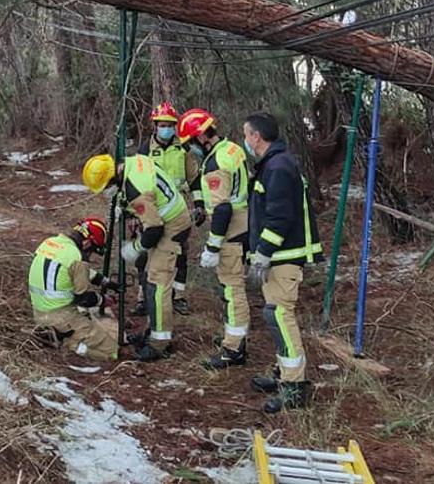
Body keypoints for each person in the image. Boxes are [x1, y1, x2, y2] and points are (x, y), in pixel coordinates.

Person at [242, 112, 322, 413]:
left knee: (280, 316)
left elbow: (279, 216)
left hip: (283, 258)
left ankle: (293, 387)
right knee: (276, 317)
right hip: (278, 258)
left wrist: (262, 253)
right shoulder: (273, 164)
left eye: (246, 134)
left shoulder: (277, 167)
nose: (245, 140)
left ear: (256, 137)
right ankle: (283, 373)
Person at [82, 153, 193, 361]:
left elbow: (154, 230)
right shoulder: (134, 162)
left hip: (172, 225)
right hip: (168, 217)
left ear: (112, 178)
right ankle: (152, 332)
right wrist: (127, 208)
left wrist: (134, 247)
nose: (107, 192)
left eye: (107, 187)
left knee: (157, 284)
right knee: (150, 277)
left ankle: (160, 344)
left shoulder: (136, 190)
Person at [176, 108, 251, 370]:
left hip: (231, 231)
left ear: (200, 137)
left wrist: (213, 245)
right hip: (244, 223)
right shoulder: (232, 149)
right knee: (233, 289)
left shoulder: (214, 164)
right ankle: (235, 337)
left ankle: (234, 348)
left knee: (232, 290)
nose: (189, 150)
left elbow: (222, 209)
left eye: (189, 144)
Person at [136, 101, 200, 315]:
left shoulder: (184, 148)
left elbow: (194, 179)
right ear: (155, 126)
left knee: (179, 254)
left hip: (178, 211)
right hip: (152, 210)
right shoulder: (145, 150)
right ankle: (142, 297)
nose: (167, 128)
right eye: (162, 124)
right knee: (145, 253)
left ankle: (178, 296)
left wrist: (198, 204)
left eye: (170, 125)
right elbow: (136, 181)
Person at [28, 217, 120, 361]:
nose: (90, 254)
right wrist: (102, 301)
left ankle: (56, 333)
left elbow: (69, 270)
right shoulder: (78, 258)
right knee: (112, 351)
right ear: (88, 242)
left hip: (39, 311)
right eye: (93, 250)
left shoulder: (52, 243)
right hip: (61, 316)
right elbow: (83, 299)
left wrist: (105, 282)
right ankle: (71, 346)